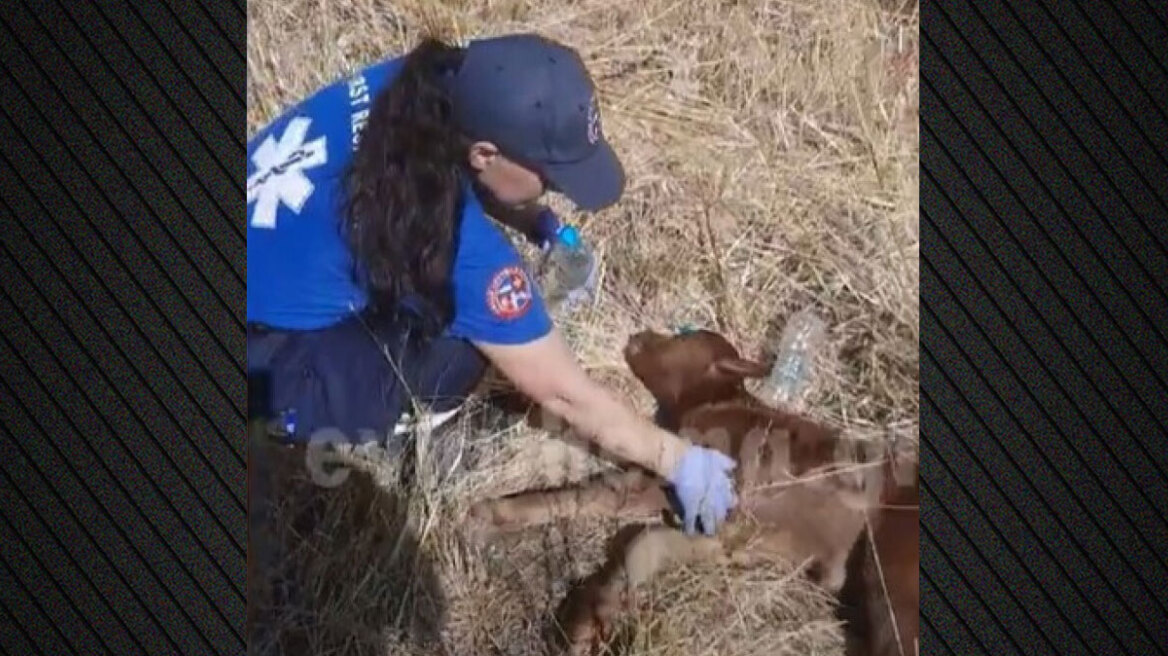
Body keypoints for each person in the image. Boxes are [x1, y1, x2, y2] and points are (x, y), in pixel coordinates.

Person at [246, 33, 737, 535]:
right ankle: (380, 431)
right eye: (549, 178)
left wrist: (537, 223)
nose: (556, 192)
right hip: (265, 357)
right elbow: (565, 394)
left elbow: (449, 169)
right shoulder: (469, 255)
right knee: (459, 353)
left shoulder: (415, 85)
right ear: (484, 152)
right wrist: (678, 460)